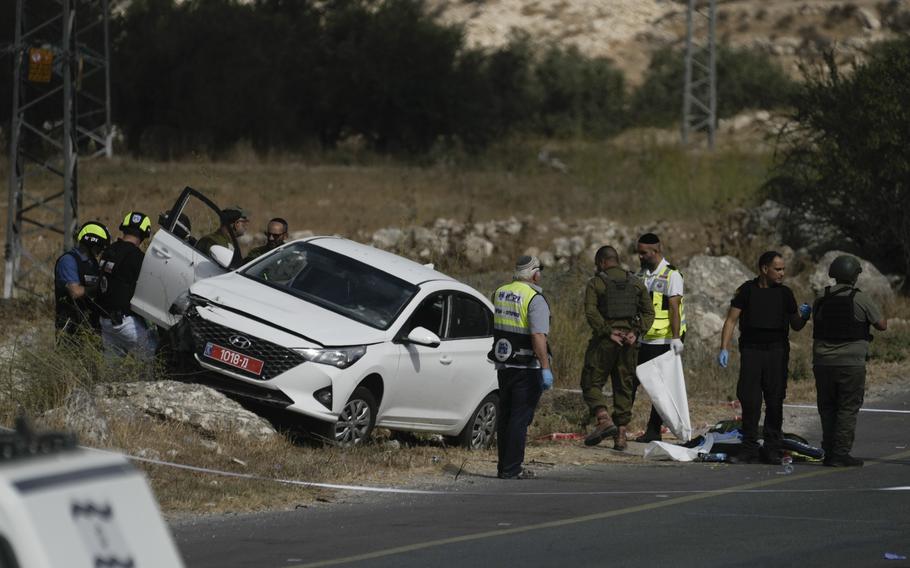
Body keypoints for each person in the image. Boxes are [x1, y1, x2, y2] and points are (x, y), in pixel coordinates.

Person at [718, 251, 810, 464]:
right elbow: (731, 320)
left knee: (774, 400)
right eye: (777, 269)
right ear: (764, 269)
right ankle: (749, 448)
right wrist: (724, 348)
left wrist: (804, 316)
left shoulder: (785, 293)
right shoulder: (746, 291)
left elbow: (795, 325)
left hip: (777, 352)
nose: (782, 273)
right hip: (751, 351)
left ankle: (772, 448)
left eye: (783, 269)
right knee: (750, 401)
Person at [812, 255, 887, 467]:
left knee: (827, 407)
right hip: (850, 363)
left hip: (822, 362)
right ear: (854, 276)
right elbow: (882, 325)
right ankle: (840, 453)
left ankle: (828, 451)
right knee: (847, 408)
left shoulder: (821, 296)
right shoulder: (860, 298)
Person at [581, 246, 654, 450]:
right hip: (629, 343)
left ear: (603, 262)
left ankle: (603, 419)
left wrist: (607, 331)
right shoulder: (636, 283)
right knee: (624, 385)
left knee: (591, 380)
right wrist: (636, 332)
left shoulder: (596, 283)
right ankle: (621, 435)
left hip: (606, 341)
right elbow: (649, 312)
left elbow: (590, 312)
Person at [489, 255, 552, 479]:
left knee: (506, 416)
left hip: (504, 364)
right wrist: (545, 367)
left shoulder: (499, 292)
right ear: (534, 274)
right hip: (527, 366)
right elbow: (537, 335)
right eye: (540, 271)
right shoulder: (534, 298)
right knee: (519, 418)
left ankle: (504, 466)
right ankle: (513, 468)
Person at [632, 233, 686, 443]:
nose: (641, 257)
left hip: (664, 340)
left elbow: (675, 307)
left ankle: (654, 430)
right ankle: (620, 427)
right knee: (633, 382)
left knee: (660, 388)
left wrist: (676, 338)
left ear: (656, 251)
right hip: (644, 339)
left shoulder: (672, 275)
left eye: (644, 253)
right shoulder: (642, 275)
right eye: (639, 253)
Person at [97, 212, 156, 361]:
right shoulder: (138, 257)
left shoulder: (108, 251)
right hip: (124, 323)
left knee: (111, 371)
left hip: (105, 322)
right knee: (154, 357)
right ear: (144, 234)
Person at [54, 221, 111, 343]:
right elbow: (75, 291)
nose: (101, 251)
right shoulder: (68, 261)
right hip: (70, 329)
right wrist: (100, 287)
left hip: (90, 328)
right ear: (92, 243)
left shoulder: (92, 263)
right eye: (100, 247)